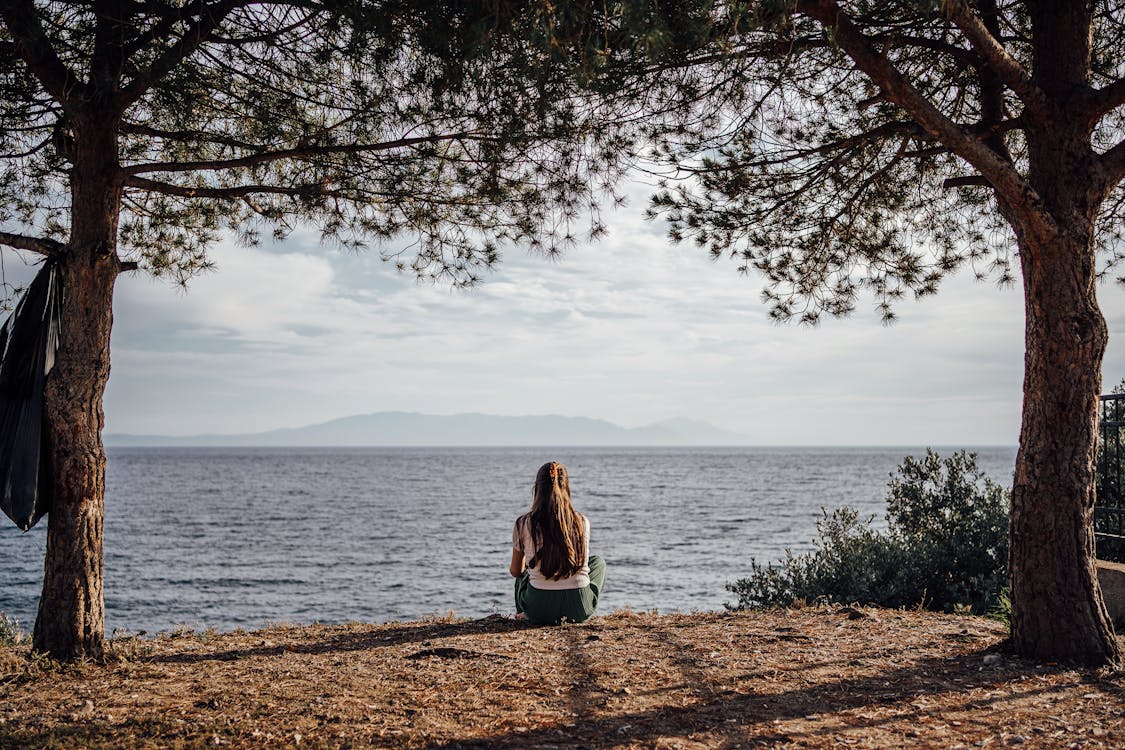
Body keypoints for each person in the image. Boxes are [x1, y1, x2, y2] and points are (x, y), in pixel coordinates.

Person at [510, 461, 606, 624]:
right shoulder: (581, 521)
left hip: (539, 609)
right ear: (566, 487)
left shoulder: (524, 523)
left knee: (523, 572)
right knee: (598, 563)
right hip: (578, 607)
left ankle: (522, 613)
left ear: (537, 489)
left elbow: (515, 571)